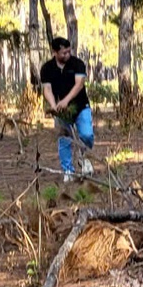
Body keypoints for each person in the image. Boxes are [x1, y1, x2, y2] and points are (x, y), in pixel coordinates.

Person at [38, 36, 93, 179]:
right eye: (64, 53)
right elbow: (47, 89)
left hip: (81, 106)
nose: (67, 55)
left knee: (87, 135)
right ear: (55, 52)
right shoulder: (47, 68)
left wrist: (66, 100)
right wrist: (53, 105)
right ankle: (68, 170)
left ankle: (83, 157)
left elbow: (79, 84)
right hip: (62, 111)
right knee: (64, 138)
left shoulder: (77, 64)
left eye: (69, 51)